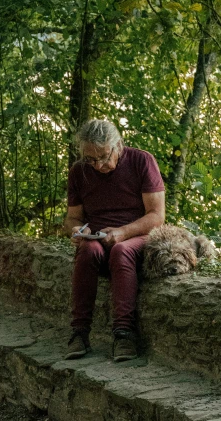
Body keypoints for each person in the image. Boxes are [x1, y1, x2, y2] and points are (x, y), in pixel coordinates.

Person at [63, 119, 165, 361]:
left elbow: (157, 216)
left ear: (118, 145)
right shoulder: (79, 172)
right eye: (91, 159)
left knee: (121, 251)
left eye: (104, 157)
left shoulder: (142, 161)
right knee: (87, 251)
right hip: (97, 237)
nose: (98, 165)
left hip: (136, 236)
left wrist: (123, 232)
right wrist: (76, 231)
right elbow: (71, 218)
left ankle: (123, 334)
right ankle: (79, 332)